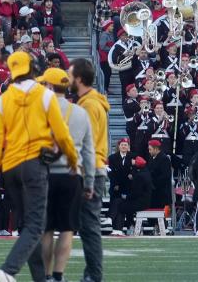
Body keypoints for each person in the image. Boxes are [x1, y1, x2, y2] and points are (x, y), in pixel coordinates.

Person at [0, 50, 78, 282]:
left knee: (29, 225)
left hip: (10, 168)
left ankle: (41, 278)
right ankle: (8, 270)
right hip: (34, 165)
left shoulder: (1, 101)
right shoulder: (45, 95)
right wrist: (73, 160)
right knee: (36, 225)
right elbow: (62, 134)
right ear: (32, 67)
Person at [38, 67, 96, 282]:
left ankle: (45, 275)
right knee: (67, 228)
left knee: (46, 229)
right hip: (72, 175)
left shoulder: (40, 110)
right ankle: (58, 275)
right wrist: (89, 182)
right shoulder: (80, 112)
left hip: (45, 174)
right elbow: (88, 150)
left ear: (50, 86)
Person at [71, 56, 109, 282]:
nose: (67, 78)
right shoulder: (91, 102)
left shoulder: (89, 105)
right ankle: (92, 273)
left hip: (91, 169)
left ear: (79, 78)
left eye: (70, 74)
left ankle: (94, 275)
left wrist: (85, 176)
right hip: (93, 167)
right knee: (87, 226)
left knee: (89, 226)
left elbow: (88, 144)